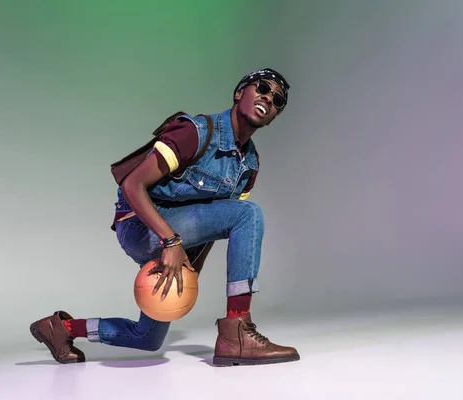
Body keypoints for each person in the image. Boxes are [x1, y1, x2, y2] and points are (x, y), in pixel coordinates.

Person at [30, 68, 300, 367]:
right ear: (240, 93)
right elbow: (132, 184)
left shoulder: (248, 165)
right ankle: (238, 330)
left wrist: (190, 269)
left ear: (275, 115)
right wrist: (170, 241)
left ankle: (61, 329)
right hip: (141, 226)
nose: (268, 98)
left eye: (277, 100)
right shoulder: (197, 132)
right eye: (262, 87)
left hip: (179, 238)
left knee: (148, 337)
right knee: (250, 214)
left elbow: (217, 224)